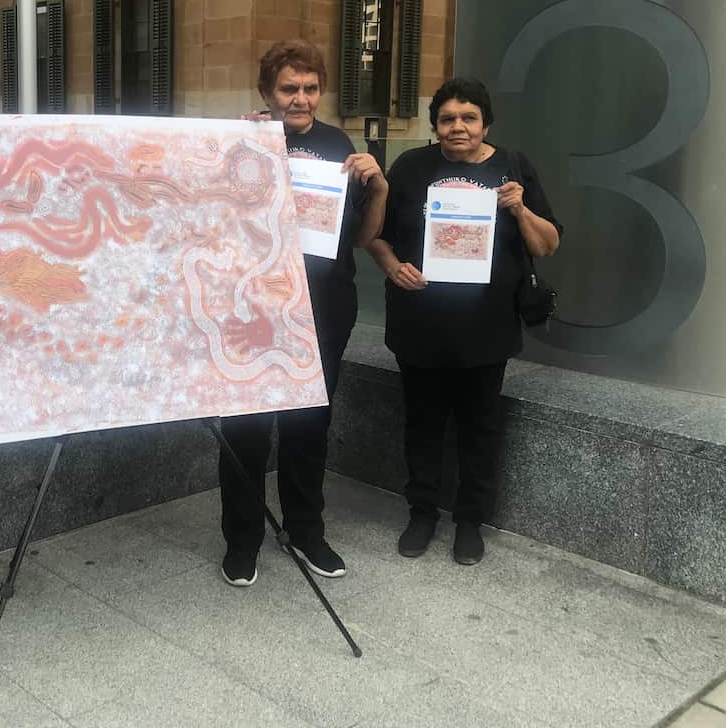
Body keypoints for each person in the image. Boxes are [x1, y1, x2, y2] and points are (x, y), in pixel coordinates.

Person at [368, 77, 560, 565]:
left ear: (485, 123)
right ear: (435, 126)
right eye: (448, 118)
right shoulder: (412, 167)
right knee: (422, 425)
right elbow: (377, 237)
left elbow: (547, 245)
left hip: (486, 328)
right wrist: (392, 267)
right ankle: (422, 513)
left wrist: (519, 210)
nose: (458, 127)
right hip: (421, 325)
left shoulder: (512, 167)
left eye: (468, 118)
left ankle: (469, 520)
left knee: (479, 429)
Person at [218, 40, 387, 586]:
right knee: (245, 425)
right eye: (289, 88)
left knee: (309, 421)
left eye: (311, 87)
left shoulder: (339, 144)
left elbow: (362, 237)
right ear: (267, 93)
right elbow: (213, 224)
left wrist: (378, 187)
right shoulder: (243, 141)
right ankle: (242, 540)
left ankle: (306, 531)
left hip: (324, 307)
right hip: (253, 305)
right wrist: (235, 151)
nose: (302, 98)